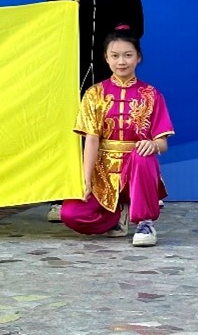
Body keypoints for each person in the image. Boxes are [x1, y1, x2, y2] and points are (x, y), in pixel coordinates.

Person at [46, 0, 143, 221]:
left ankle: (123, 192)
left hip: (112, 73)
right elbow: (48, 32)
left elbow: (135, 29)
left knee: (114, 129)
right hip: (72, 72)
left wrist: (116, 51)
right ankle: (65, 195)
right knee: (72, 130)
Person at [59, 30, 174, 247]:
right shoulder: (94, 94)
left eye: (128, 55)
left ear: (138, 57)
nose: (121, 61)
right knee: (71, 214)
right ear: (106, 58)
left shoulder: (152, 94)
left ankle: (145, 222)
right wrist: (86, 179)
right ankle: (118, 215)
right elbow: (91, 139)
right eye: (115, 55)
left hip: (137, 169)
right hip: (103, 171)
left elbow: (163, 143)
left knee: (142, 155)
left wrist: (152, 144)